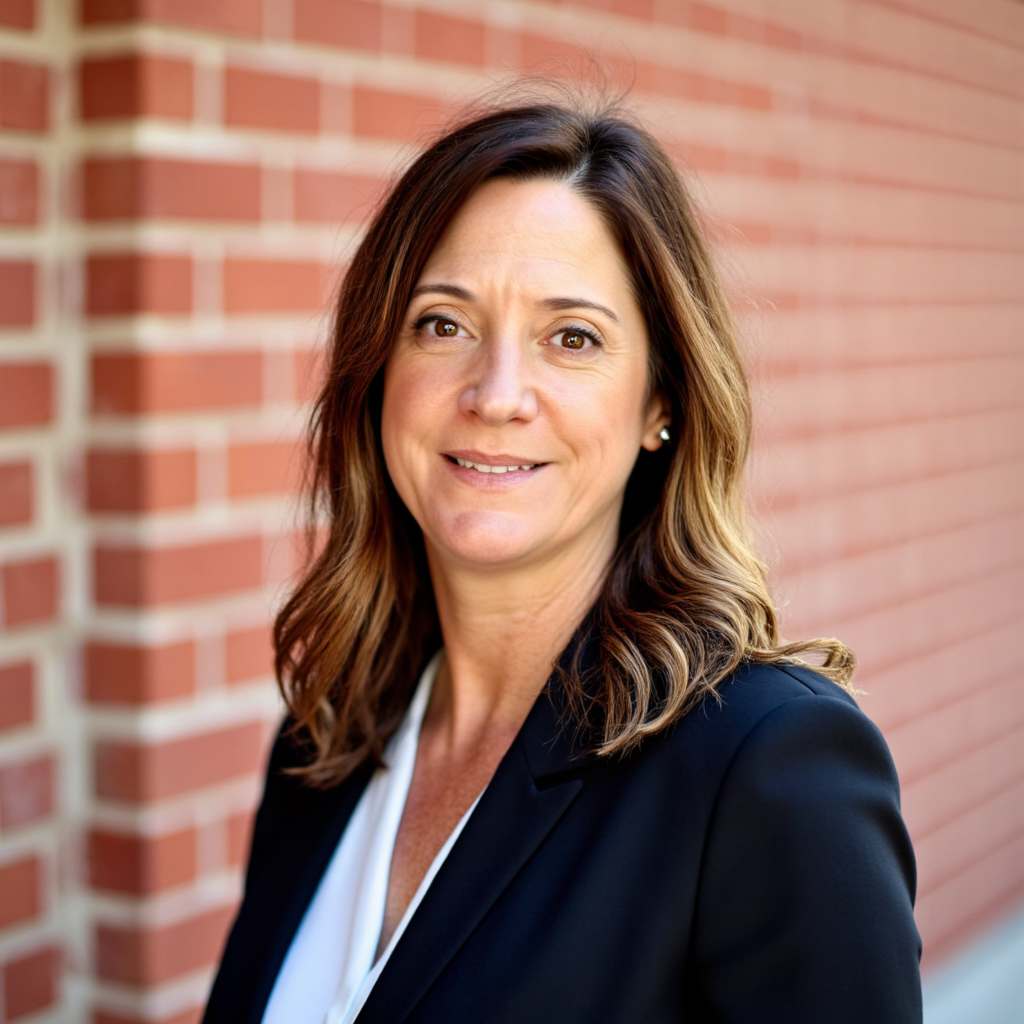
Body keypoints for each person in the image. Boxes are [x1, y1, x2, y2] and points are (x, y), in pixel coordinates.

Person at [203, 99, 922, 1024]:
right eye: (442, 324)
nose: (497, 394)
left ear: (662, 401)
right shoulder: (327, 741)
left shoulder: (763, 769)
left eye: (571, 338)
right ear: (377, 369)